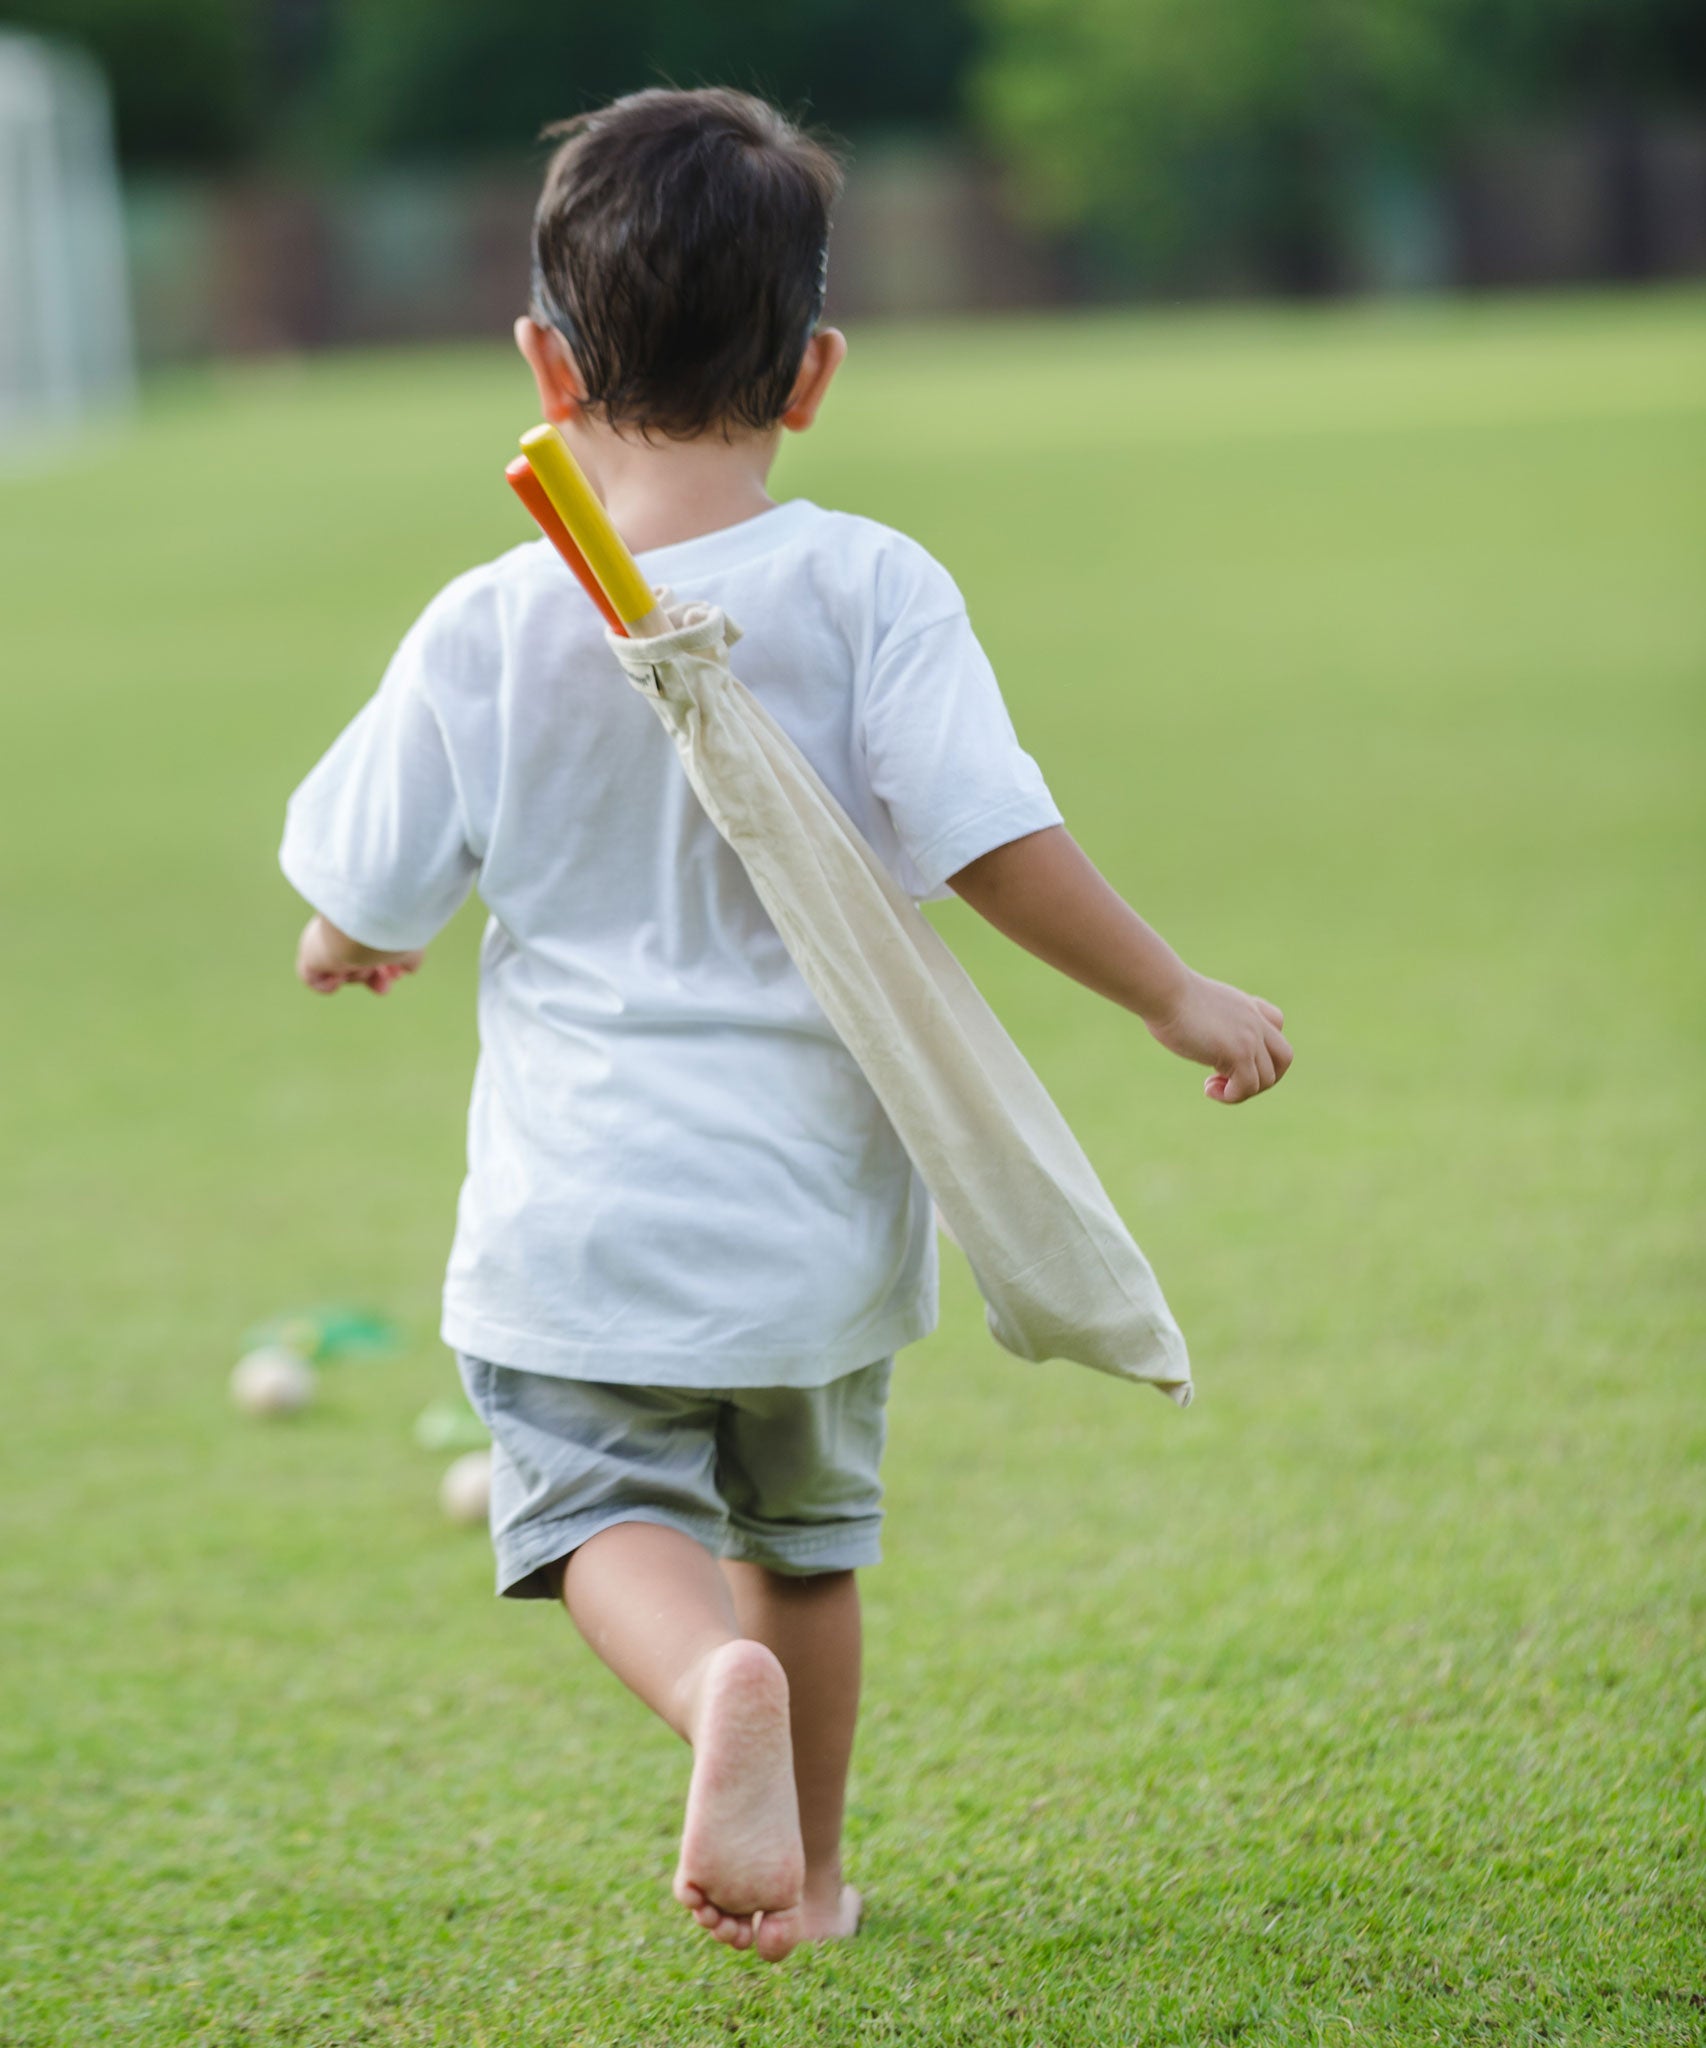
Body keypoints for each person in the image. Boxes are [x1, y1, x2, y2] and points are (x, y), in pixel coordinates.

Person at [280, 86, 1292, 1965]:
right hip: (814, 1219)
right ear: (814, 372)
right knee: (805, 1551)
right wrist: (1168, 989)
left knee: (595, 1519)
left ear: (540, 360)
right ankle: (811, 1873)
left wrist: (349, 936)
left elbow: (368, 876)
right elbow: (987, 840)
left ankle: (698, 1699)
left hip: (579, 1221)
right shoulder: (869, 587)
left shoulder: (492, 619)